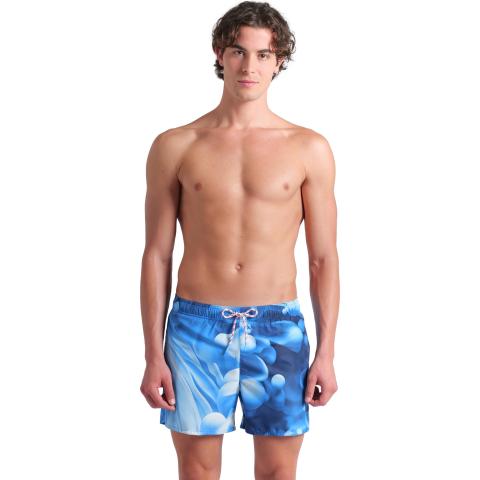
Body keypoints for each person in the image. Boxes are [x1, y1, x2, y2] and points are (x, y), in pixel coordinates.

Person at [140, 1, 339, 478]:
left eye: (263, 54)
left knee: (277, 473)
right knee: (197, 471)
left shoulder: (308, 148)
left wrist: (327, 352)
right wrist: (152, 353)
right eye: (238, 51)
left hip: (279, 327)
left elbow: (323, 258)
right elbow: (157, 255)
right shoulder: (176, 144)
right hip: (196, 326)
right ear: (220, 54)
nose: (250, 66)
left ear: (279, 61)